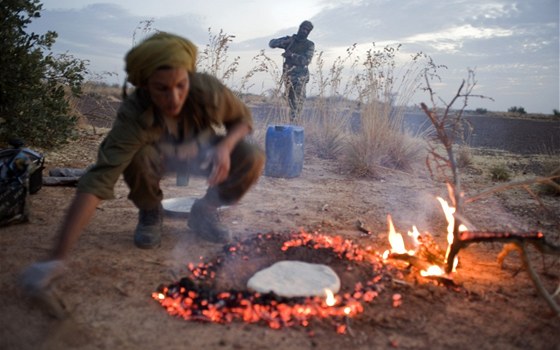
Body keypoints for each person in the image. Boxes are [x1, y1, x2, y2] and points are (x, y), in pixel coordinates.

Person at [20, 32, 265, 301]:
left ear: (189, 78)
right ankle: (150, 211)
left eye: (181, 85)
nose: (174, 98)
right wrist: (57, 258)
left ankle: (204, 213)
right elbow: (100, 179)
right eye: (161, 88)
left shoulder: (205, 89)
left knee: (251, 156)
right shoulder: (133, 113)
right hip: (155, 159)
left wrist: (225, 146)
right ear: (146, 85)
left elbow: (242, 120)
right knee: (137, 157)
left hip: (203, 153)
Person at [269, 20, 315, 123]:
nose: (304, 31)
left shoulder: (309, 44)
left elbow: (306, 61)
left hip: (300, 78)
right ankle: (291, 124)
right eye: (303, 28)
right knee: (290, 102)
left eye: (307, 30)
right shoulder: (290, 40)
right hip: (288, 76)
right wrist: (283, 42)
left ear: (309, 32)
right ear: (299, 28)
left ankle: (294, 125)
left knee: (297, 103)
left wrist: (292, 55)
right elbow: (271, 43)